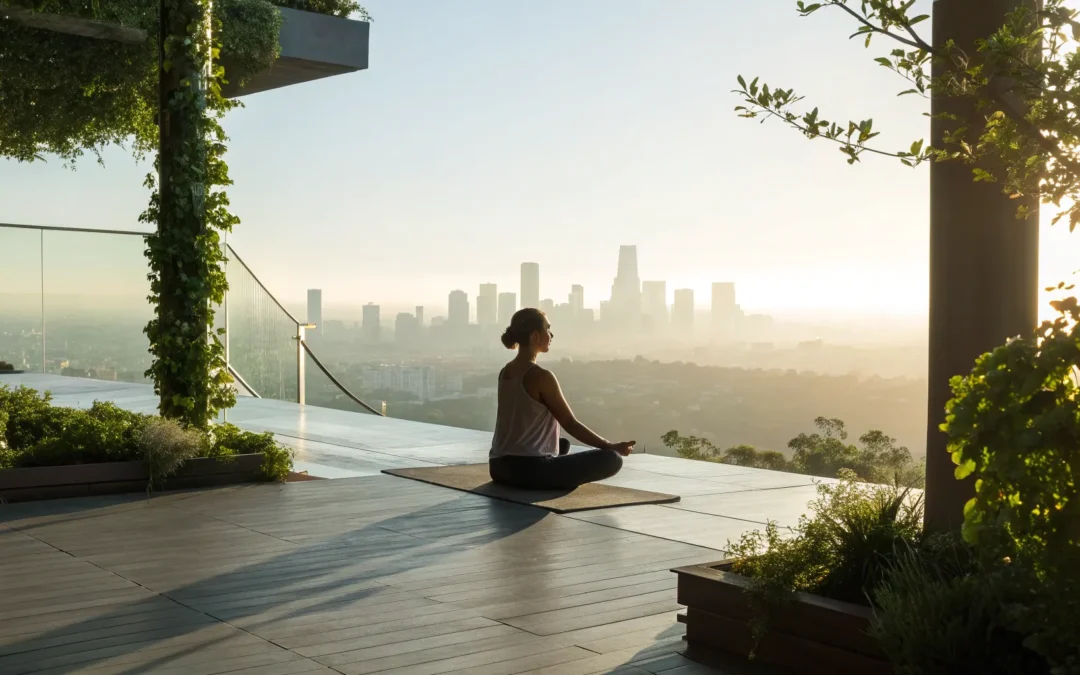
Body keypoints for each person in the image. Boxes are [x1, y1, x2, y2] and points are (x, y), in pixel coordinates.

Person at [489, 308, 635, 490]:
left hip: (498, 467)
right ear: (535, 336)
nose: (551, 334)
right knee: (612, 459)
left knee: (561, 444)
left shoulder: (506, 371)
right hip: (527, 471)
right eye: (547, 329)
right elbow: (570, 423)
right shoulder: (541, 376)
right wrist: (610, 446)